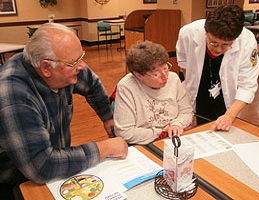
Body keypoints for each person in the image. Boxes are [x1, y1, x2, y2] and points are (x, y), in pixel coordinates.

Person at [0, 23, 128, 199]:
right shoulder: (13, 94)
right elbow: (42, 166)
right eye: (74, 62)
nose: (82, 66)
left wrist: (107, 117)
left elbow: (92, 84)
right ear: (46, 68)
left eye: (81, 57)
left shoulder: (62, 66)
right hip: (16, 182)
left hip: (54, 168)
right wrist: (104, 148)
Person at [176, 4, 259, 131]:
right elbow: (184, 64)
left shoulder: (246, 41)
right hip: (198, 94)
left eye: (226, 45)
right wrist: (192, 86)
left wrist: (229, 116)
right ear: (206, 31)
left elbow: (247, 85)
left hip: (228, 100)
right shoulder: (188, 33)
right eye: (213, 42)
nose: (218, 49)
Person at [114, 40, 194, 145]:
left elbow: (187, 111)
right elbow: (124, 132)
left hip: (175, 138)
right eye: (156, 74)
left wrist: (176, 125)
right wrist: (160, 133)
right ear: (139, 75)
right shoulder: (127, 87)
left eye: (166, 68)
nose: (165, 76)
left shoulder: (173, 78)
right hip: (146, 143)